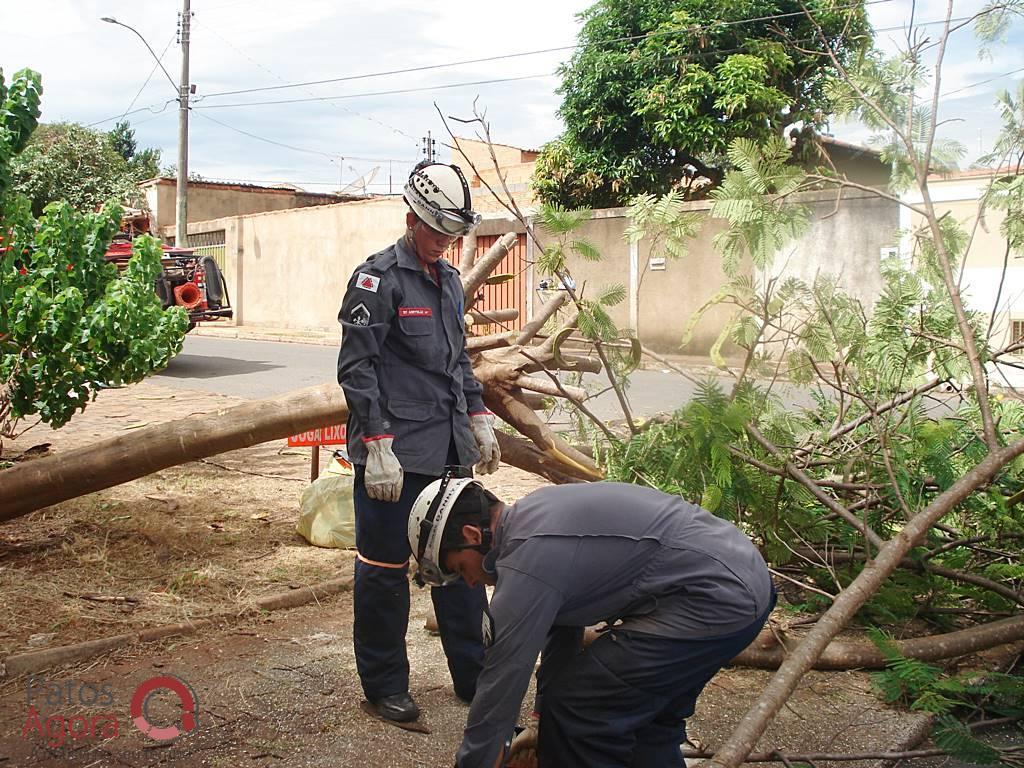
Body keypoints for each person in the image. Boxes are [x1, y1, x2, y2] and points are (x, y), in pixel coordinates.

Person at [408, 476, 776, 768]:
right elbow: (561, 631)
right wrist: (540, 718)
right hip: (743, 582)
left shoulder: (526, 563)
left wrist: (475, 761)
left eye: (460, 569)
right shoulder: (534, 517)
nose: (470, 582)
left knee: (581, 712)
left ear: (473, 536)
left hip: (714, 599)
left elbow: (501, 681)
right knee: (647, 723)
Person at [337, 161, 501, 723]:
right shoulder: (376, 279)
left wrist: (478, 415)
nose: (443, 245)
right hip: (393, 460)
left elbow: (458, 362)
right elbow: (357, 370)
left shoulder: (450, 282)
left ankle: (474, 676)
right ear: (411, 220)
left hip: (448, 453)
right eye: (435, 233)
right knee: (383, 573)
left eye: (452, 236)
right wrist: (377, 445)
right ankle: (384, 686)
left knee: (461, 567)